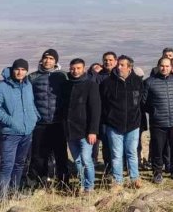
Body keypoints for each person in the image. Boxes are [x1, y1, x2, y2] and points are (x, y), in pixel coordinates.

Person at [0, 60, 39, 203]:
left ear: (27, 71)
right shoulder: (1, 87)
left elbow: (31, 103)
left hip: (27, 131)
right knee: (7, 165)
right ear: (12, 70)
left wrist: (34, 118)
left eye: (23, 69)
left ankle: (14, 192)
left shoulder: (28, 85)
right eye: (17, 69)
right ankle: (2, 197)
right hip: (9, 133)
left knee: (20, 164)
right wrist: (10, 121)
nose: (20, 72)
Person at [143, 56, 173, 182]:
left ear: (171, 67)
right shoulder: (149, 82)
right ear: (158, 66)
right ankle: (157, 173)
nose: (164, 68)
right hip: (158, 122)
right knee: (157, 149)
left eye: (167, 66)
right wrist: (155, 111)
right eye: (162, 66)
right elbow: (144, 103)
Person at [100, 54, 143, 189]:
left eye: (122, 65)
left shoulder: (137, 82)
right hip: (114, 125)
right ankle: (117, 181)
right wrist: (108, 119)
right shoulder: (107, 83)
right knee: (116, 154)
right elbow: (102, 104)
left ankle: (134, 178)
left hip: (133, 124)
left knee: (132, 152)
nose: (119, 67)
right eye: (118, 64)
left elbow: (141, 102)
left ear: (129, 67)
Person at [28, 48, 68, 187]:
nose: (48, 61)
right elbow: (29, 99)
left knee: (61, 154)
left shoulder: (63, 76)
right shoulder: (32, 77)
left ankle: (64, 182)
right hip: (40, 123)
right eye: (45, 58)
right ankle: (38, 182)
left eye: (51, 58)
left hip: (58, 122)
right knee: (38, 155)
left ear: (56, 61)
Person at [60, 58, 101, 195]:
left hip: (85, 131)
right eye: (73, 68)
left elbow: (95, 110)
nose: (75, 71)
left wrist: (93, 131)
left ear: (84, 69)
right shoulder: (66, 85)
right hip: (70, 131)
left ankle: (89, 187)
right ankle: (82, 184)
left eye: (78, 68)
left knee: (86, 159)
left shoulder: (91, 85)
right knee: (77, 161)